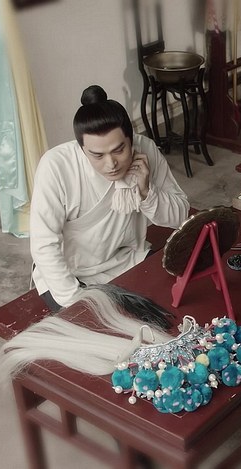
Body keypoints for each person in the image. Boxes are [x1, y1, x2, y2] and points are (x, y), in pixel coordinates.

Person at [30, 85, 189, 311]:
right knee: (100, 330)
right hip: (73, 273)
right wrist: (77, 301)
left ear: (131, 139)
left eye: (119, 150)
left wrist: (146, 191)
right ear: (81, 148)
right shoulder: (56, 166)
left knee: (178, 305)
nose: (111, 164)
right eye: (97, 155)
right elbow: (44, 245)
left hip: (128, 259)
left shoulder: (146, 149)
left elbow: (180, 217)